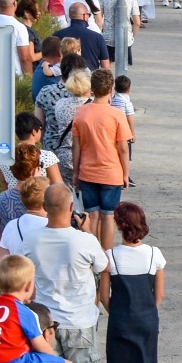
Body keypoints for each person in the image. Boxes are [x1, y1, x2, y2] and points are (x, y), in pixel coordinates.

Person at [28, 185, 111, 363]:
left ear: (44, 207)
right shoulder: (84, 240)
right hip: (80, 321)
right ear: (72, 208)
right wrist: (86, 230)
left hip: (45, 324)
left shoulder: (31, 239)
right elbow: (103, 265)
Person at [99, 201, 165, 363]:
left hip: (120, 321)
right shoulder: (154, 255)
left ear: (119, 226)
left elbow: (104, 295)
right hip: (146, 320)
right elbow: (158, 295)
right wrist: (145, 312)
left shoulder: (111, 256)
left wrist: (117, 312)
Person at [71, 69, 133, 251]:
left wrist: (76, 172)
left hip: (87, 172)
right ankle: (106, 258)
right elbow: (122, 148)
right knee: (108, 217)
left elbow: (77, 146)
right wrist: (125, 173)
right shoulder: (117, 115)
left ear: (92, 89)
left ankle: (92, 255)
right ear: (111, 90)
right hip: (111, 173)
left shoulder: (81, 113)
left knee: (92, 216)